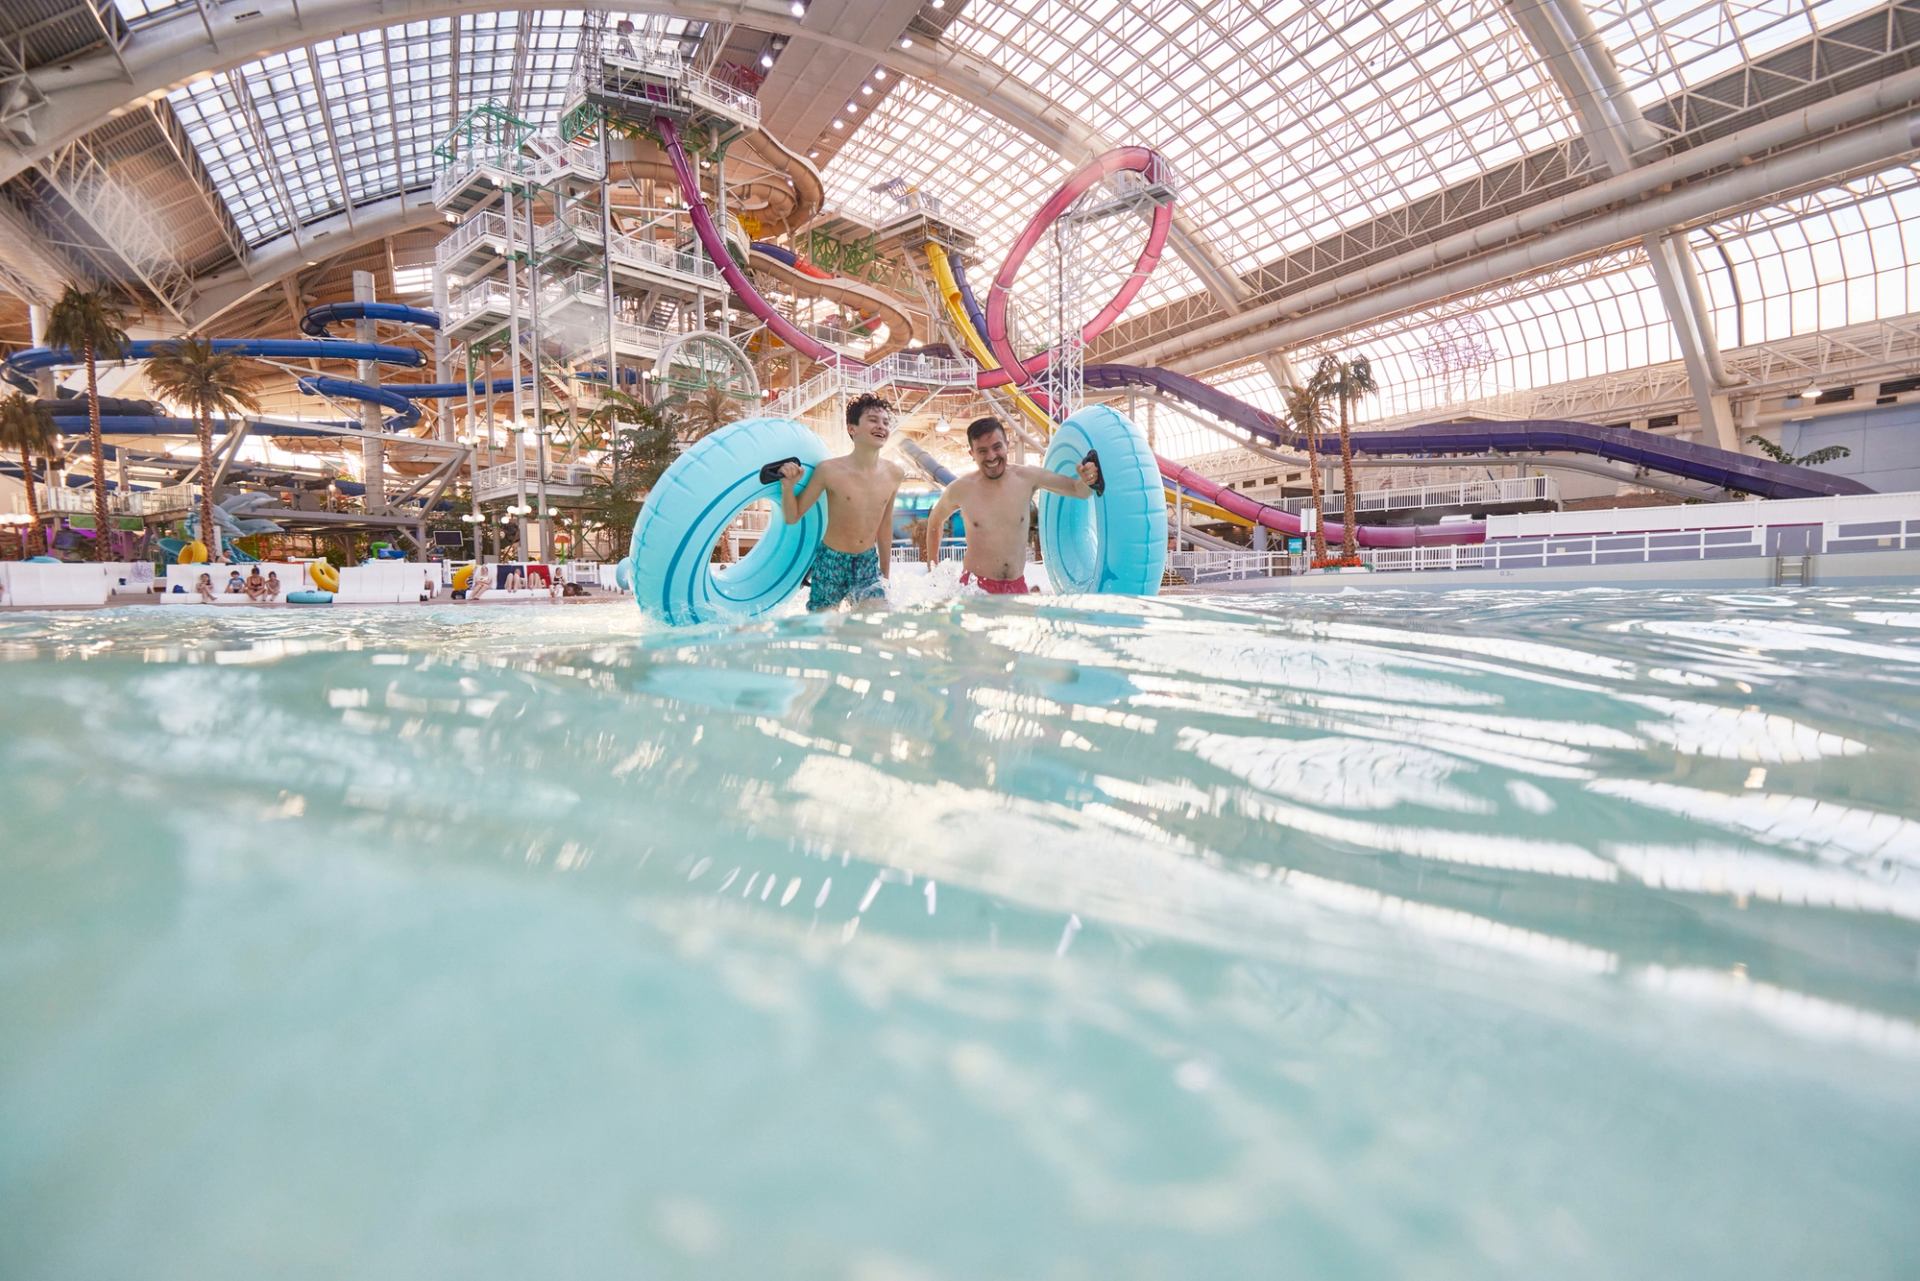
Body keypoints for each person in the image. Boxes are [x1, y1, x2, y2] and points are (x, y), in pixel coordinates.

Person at [923, 416, 1102, 595]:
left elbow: (1078, 491)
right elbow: (934, 522)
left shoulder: (1027, 478)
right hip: (976, 587)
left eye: (997, 447)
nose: (991, 456)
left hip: (1016, 586)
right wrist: (934, 571)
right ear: (972, 454)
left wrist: (1088, 479)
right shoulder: (961, 489)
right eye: (982, 451)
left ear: (1007, 444)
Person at [779, 392, 904, 611]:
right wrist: (788, 486)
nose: (881, 426)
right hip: (831, 560)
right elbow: (792, 516)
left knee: (878, 624)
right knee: (822, 629)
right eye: (873, 420)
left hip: (867, 563)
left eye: (885, 422)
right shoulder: (829, 470)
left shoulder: (894, 473)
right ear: (852, 428)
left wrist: (885, 577)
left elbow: (885, 526)